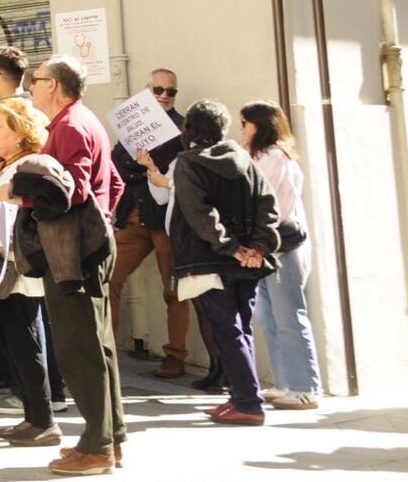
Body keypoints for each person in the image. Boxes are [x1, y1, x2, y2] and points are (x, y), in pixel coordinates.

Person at [27, 55, 126, 476]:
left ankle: (97, 446)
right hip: (90, 244)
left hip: (73, 251)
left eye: (37, 79)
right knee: (96, 345)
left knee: (78, 346)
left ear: (55, 85)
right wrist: (103, 221)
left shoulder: (69, 126)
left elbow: (71, 190)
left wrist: (21, 195)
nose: (30, 85)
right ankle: (109, 437)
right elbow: (115, 185)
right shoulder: (82, 121)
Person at [168, 99, 281, 426]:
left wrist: (231, 247)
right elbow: (267, 203)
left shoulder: (188, 163)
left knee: (227, 331)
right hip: (248, 260)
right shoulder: (244, 159)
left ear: (189, 128)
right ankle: (242, 397)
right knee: (240, 329)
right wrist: (257, 247)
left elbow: (199, 213)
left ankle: (247, 402)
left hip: (210, 260)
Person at [0, 97, 64, 448]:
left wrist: (1, 246)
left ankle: (44, 420)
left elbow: (28, 221)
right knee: (12, 343)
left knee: (26, 344)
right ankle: (34, 417)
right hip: (1, 268)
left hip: (17, 270)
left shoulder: (27, 168)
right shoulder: (2, 166)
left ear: (20, 135)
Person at [108, 68, 193, 378]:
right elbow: (119, 164)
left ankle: (176, 355)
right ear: (148, 91)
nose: (165, 96)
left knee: (174, 290)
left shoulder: (182, 128)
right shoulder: (133, 122)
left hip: (165, 221)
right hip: (134, 217)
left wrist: (145, 169)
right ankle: (105, 350)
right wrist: (143, 170)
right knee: (109, 281)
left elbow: (175, 171)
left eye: (171, 91)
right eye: (158, 90)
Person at [241, 101, 320, 410]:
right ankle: (285, 381)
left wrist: (256, 241)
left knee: (289, 315)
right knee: (269, 316)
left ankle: (305, 387)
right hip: (263, 246)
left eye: (246, 123)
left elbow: (277, 209)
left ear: (261, 125)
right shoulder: (257, 157)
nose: (242, 129)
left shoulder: (278, 159)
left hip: (279, 246)